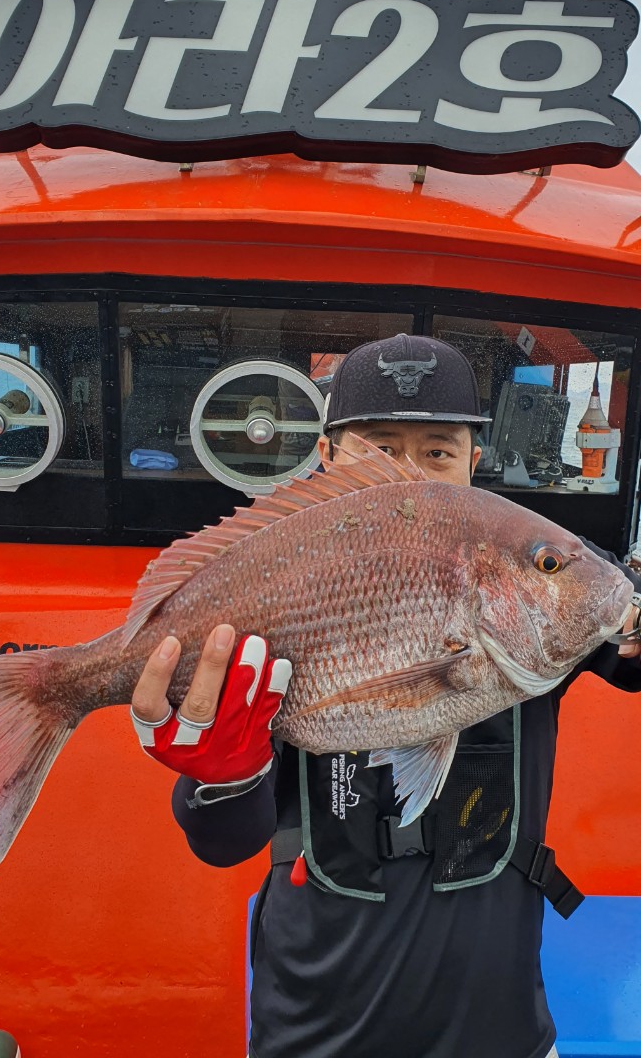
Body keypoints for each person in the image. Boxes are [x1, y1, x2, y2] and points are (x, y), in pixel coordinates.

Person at [130, 334, 641, 1058]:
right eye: (378, 449)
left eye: (437, 451)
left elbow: (617, 616)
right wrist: (221, 778)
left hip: (500, 1033)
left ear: (473, 461)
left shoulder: (527, 573)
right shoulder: (277, 578)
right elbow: (225, 843)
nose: (408, 474)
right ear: (327, 458)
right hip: (316, 1031)